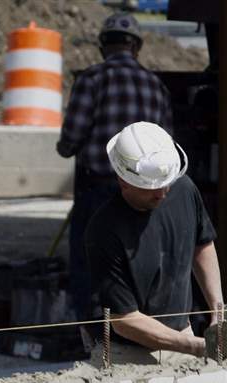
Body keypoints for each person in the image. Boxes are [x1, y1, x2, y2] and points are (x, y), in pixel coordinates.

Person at [57, 12, 174, 322]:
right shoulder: (156, 87)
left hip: (98, 187)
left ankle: (89, 327)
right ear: (136, 47)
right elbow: (167, 144)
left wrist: (66, 149)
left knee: (90, 259)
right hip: (145, 190)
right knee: (139, 256)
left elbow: (71, 137)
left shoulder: (92, 79)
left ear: (102, 47)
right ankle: (141, 322)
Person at [85, 121, 222, 366]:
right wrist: (199, 346)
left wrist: (217, 313)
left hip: (183, 337)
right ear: (123, 180)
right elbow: (125, 321)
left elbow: (202, 245)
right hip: (126, 354)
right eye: (151, 188)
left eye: (165, 183)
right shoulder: (104, 230)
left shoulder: (183, 189)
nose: (162, 193)